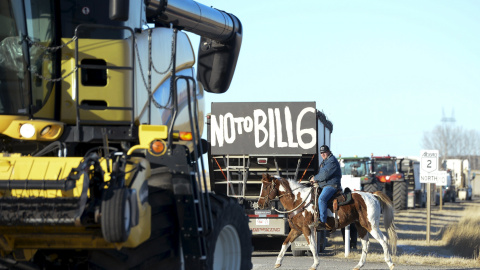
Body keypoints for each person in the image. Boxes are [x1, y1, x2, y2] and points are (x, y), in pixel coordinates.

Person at [310, 145, 342, 230]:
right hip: (324, 185)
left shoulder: (331, 161)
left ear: (328, 152)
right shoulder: (325, 161)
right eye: (321, 153)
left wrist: (315, 178)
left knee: (322, 199)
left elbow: (325, 174)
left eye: (324, 152)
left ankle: (322, 222)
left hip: (331, 185)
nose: (323, 154)